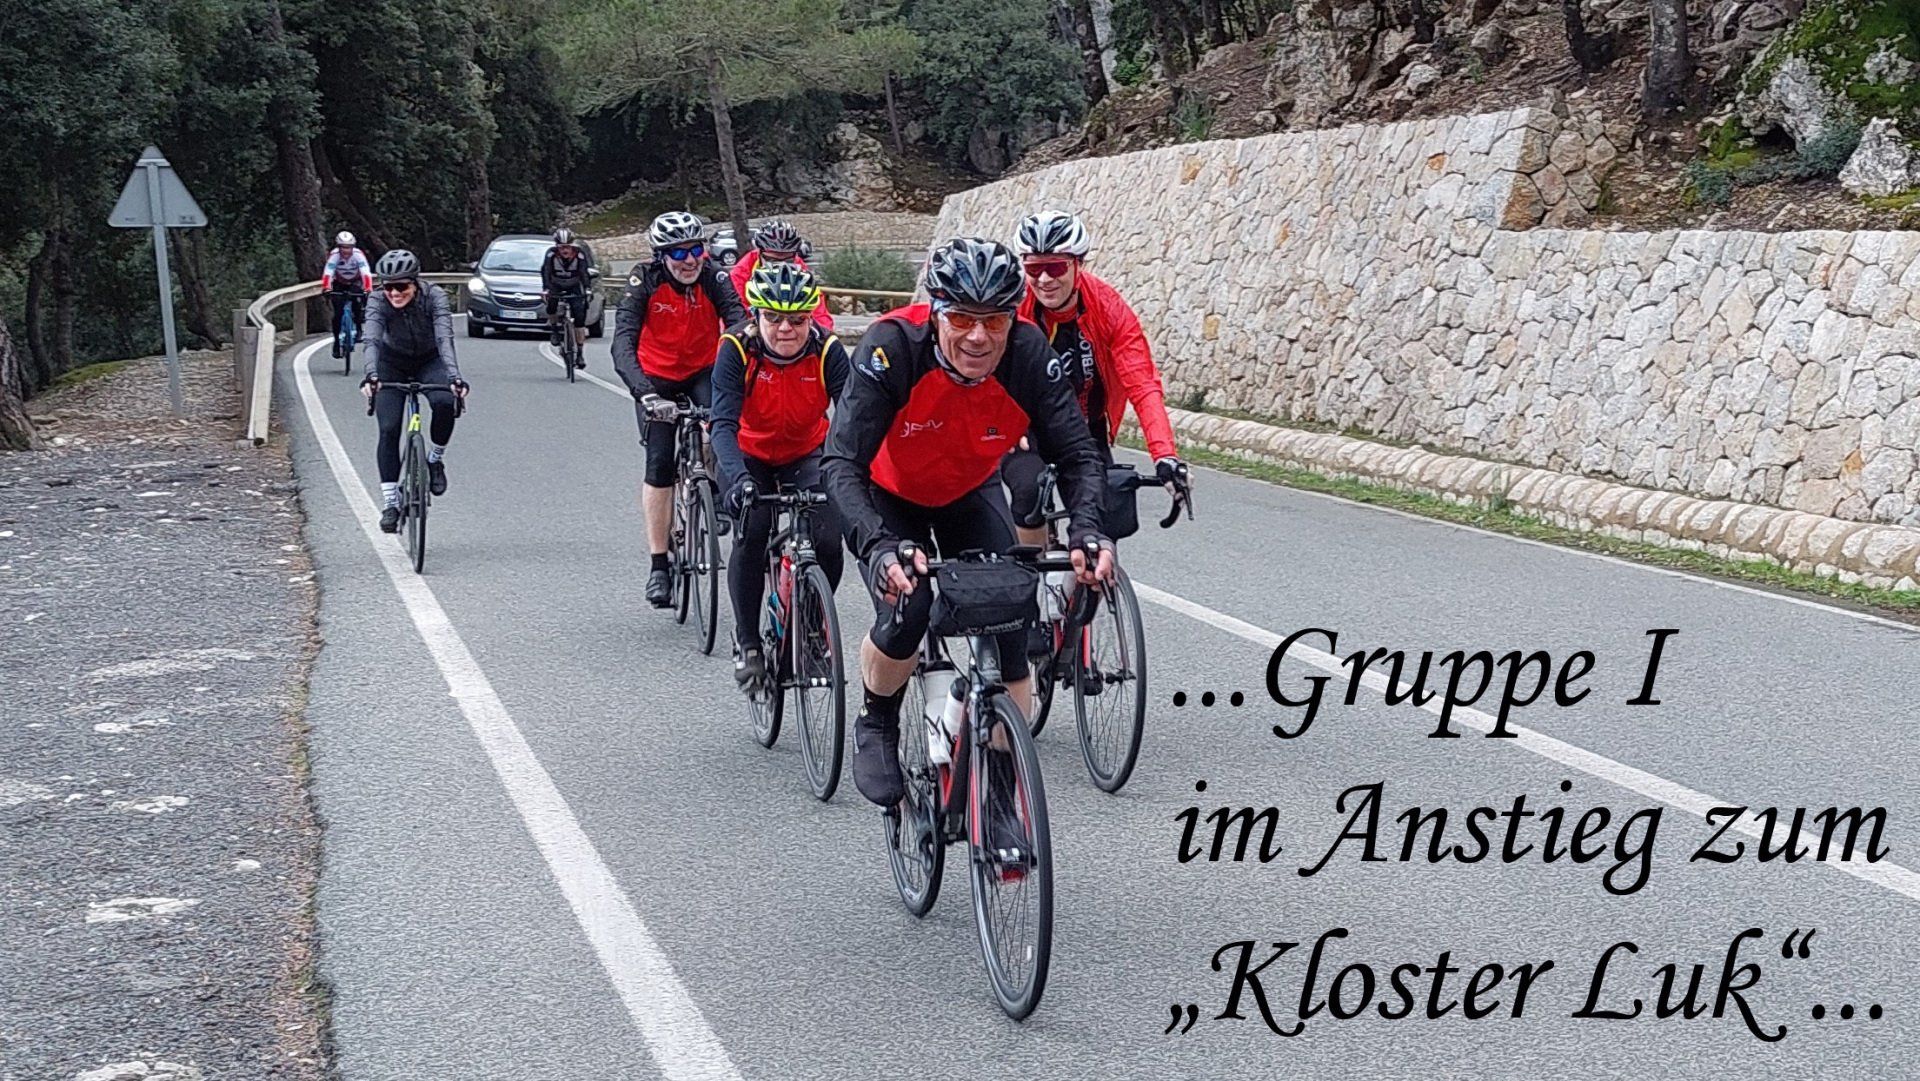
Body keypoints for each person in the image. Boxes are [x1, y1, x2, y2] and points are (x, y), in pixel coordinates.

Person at [821, 237, 1113, 818]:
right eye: (961, 319)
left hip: (968, 491)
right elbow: (841, 462)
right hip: (889, 496)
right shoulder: (892, 348)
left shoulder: (1027, 354)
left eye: (994, 321)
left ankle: (1000, 790)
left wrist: (1086, 530)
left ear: (1012, 319)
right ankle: (877, 719)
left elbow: (1078, 455)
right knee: (909, 609)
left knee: (1011, 621)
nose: (978, 336)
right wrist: (878, 546)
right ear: (936, 313)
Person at [1005, 210, 1188, 551]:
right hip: (1025, 427)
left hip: (1084, 428)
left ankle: (1092, 578)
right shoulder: (1013, 310)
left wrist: (1165, 455)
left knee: (1101, 513)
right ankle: (1032, 575)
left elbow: (1143, 384)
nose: (1044, 279)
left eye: (1055, 267)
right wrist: (1003, 422)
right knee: (1028, 492)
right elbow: (988, 374)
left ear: (1078, 264)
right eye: (1033, 268)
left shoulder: (1109, 308)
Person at [711, 262, 852, 690]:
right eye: (773, 318)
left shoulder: (827, 351)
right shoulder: (737, 349)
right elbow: (722, 425)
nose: (786, 328)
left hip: (806, 451)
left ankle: (811, 628)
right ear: (756, 316)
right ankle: (749, 643)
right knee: (752, 531)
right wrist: (737, 480)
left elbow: (854, 421)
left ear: (811, 318)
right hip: (748, 453)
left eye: (797, 319)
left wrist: (855, 476)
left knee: (828, 539)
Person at [612, 211, 749, 607]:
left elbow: (739, 324)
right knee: (658, 466)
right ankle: (659, 565)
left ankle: (713, 490)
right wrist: (645, 394)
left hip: (703, 370)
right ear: (661, 256)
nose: (689, 260)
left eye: (696, 250)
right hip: (655, 378)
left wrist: (738, 370)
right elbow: (622, 343)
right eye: (677, 253)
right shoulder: (644, 281)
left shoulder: (714, 277)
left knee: (720, 427)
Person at [359, 250, 469, 534]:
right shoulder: (377, 300)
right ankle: (390, 503)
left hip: (430, 360)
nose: (394, 293)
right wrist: (371, 375)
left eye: (401, 286)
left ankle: (435, 460)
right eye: (388, 287)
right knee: (389, 428)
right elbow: (371, 339)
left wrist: (455, 377)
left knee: (445, 402)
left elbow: (444, 338)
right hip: (391, 363)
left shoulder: (434, 296)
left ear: (415, 283)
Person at [728, 220, 833, 333]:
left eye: (788, 260)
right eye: (772, 260)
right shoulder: (741, 272)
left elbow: (818, 308)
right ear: (759, 253)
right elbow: (736, 313)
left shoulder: (798, 265)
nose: (781, 266)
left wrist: (824, 334)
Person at [542, 227, 594, 365]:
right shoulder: (551, 254)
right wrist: (546, 289)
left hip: (574, 285)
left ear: (572, 246)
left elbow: (584, 272)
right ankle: (554, 330)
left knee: (579, 315)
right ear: (557, 247)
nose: (565, 250)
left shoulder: (579, 254)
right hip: (556, 284)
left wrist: (587, 289)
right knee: (551, 305)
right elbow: (546, 271)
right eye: (561, 247)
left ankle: (580, 353)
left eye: (568, 247)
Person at [322, 231, 372, 359]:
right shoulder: (334, 255)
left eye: (349, 247)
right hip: (339, 282)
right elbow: (328, 272)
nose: (346, 250)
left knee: (357, 304)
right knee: (337, 313)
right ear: (339, 247)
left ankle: (359, 328)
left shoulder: (358, 255)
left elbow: (365, 272)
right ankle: (336, 342)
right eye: (343, 247)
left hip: (355, 281)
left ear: (353, 247)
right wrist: (327, 287)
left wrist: (367, 288)